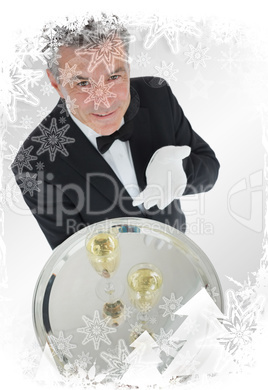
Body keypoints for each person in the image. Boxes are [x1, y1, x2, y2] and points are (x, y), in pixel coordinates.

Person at [12, 15, 220, 250]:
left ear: (128, 68)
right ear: (55, 83)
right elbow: (73, 256)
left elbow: (210, 169)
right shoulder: (32, 163)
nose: (104, 102)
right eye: (82, 84)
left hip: (179, 248)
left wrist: (179, 173)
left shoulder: (157, 94)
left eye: (113, 77)